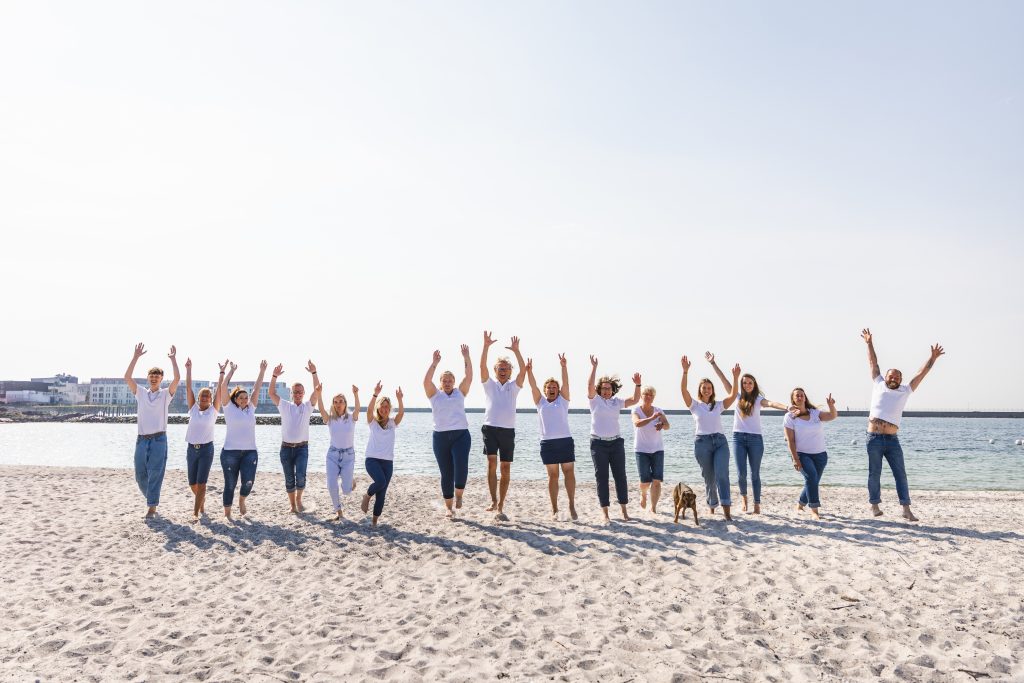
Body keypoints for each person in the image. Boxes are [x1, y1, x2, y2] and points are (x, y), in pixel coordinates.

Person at [861, 328, 945, 521]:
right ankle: (874, 505)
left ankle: (906, 509)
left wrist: (933, 358)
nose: (894, 378)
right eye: (891, 376)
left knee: (901, 474)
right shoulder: (878, 383)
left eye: (897, 377)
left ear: (900, 380)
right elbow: (873, 362)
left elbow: (921, 373)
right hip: (873, 437)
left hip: (892, 439)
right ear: (887, 377)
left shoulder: (906, 390)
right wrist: (869, 343)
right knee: (875, 473)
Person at [706, 351, 791, 514]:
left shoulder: (758, 399)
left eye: (749, 383)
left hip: (755, 440)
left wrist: (786, 407)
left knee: (755, 474)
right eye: (744, 383)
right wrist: (713, 363)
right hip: (738, 438)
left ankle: (757, 504)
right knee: (741, 475)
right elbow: (723, 380)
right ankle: (745, 500)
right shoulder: (736, 397)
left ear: (754, 385)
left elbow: (771, 402)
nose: (747, 385)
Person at [680, 355, 740, 520]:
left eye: (709, 387)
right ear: (700, 390)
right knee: (709, 477)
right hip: (702, 443)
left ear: (712, 390)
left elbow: (734, 395)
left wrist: (735, 378)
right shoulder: (694, 405)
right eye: (704, 387)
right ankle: (712, 505)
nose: (706, 390)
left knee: (722, 474)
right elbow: (684, 391)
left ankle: (727, 511)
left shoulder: (718, 405)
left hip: (720, 442)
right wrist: (685, 372)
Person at [124, 343, 180, 519]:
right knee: (140, 475)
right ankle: (152, 499)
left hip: (158, 440)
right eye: (152, 375)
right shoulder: (140, 393)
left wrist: (173, 359)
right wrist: (135, 356)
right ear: (148, 378)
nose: (154, 378)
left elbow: (177, 379)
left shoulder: (165, 394)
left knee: (155, 473)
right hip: (141, 440)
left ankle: (152, 506)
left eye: (157, 376)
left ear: (161, 378)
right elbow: (127, 377)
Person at [479, 331, 528, 519]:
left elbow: (524, 371)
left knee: (505, 467)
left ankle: (501, 504)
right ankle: (493, 500)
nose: (503, 370)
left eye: (506, 368)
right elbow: (482, 365)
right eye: (500, 368)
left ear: (510, 371)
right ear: (495, 370)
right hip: (490, 428)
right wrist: (485, 347)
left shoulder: (513, 386)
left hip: (508, 431)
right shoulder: (489, 384)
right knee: (491, 463)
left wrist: (517, 351)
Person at [587, 356, 642, 522]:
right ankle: (605, 512)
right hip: (598, 444)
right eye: (603, 388)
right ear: (599, 389)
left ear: (613, 390)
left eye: (608, 388)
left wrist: (638, 385)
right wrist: (594, 367)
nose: (606, 391)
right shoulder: (594, 401)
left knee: (620, 476)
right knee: (601, 477)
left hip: (616, 443)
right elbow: (589, 386)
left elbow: (635, 399)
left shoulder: (616, 402)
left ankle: (624, 511)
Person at [527, 354, 578, 521]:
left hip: (565, 441)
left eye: (554, 387)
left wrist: (564, 366)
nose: (552, 389)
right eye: (549, 387)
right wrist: (529, 372)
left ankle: (571, 504)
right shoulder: (540, 402)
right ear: (545, 390)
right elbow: (533, 385)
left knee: (569, 472)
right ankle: (554, 509)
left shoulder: (563, 401)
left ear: (558, 390)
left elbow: (567, 384)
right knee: (553, 476)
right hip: (547, 443)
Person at [423, 346, 473, 518]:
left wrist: (466, 357)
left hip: (461, 436)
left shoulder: (460, 393)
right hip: (441, 437)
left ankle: (459, 495)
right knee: (446, 473)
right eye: (444, 380)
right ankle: (448, 507)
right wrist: (434, 363)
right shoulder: (434, 395)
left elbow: (469, 376)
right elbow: (426, 381)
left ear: (454, 381)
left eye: (450, 380)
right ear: (441, 383)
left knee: (460, 466)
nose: (447, 383)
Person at [268, 361, 322, 514]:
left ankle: (299, 499)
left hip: (302, 448)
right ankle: (292, 504)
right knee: (289, 478)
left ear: (303, 394)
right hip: (285, 448)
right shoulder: (285, 406)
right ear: (291, 393)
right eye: (295, 392)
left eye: (300, 392)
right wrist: (274, 376)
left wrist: (314, 372)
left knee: (301, 477)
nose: (298, 394)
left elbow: (317, 391)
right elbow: (272, 393)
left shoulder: (307, 407)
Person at [219, 360, 267, 519]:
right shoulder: (228, 407)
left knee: (248, 482)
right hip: (230, 453)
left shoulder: (251, 409)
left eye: (246, 398)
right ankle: (227, 514)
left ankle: (242, 500)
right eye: (241, 398)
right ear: (235, 399)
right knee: (230, 484)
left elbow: (257, 387)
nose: (245, 400)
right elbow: (223, 387)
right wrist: (230, 372)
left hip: (250, 452)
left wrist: (262, 371)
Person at [184, 357, 228, 522]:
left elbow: (219, 391)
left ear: (210, 399)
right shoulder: (193, 409)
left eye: (207, 397)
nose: (204, 398)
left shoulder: (214, 411)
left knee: (202, 484)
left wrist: (221, 373)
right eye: (202, 396)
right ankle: (201, 501)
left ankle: (196, 513)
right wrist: (189, 369)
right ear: (198, 398)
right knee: (192, 484)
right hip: (191, 449)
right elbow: (188, 387)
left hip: (206, 450)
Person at [783, 388, 838, 520]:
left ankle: (800, 504)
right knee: (812, 477)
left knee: (813, 481)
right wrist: (795, 459)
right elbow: (790, 440)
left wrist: (831, 406)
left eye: (802, 395)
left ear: (805, 398)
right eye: (797, 396)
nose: (800, 397)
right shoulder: (789, 417)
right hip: (802, 454)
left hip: (820, 455)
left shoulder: (814, 413)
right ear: (793, 399)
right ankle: (814, 510)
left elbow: (832, 416)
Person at [315, 378, 361, 521]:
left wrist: (356, 394)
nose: (338, 404)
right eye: (335, 402)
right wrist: (319, 394)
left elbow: (358, 408)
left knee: (347, 491)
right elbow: (321, 409)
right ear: (333, 405)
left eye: (341, 401)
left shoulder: (351, 418)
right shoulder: (330, 419)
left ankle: (351, 480)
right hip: (333, 455)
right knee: (331, 484)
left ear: (345, 403)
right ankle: (338, 512)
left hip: (348, 456)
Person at [361, 382, 404, 527]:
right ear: (378, 408)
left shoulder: (393, 423)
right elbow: (368, 411)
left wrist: (400, 399)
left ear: (389, 409)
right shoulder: (372, 422)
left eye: (387, 407)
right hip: (372, 460)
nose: (385, 409)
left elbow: (401, 413)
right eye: (382, 406)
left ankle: (374, 522)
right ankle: (367, 496)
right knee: (380, 482)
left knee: (382, 492)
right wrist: (375, 394)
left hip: (388, 462)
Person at [632, 385, 670, 514]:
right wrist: (652, 418)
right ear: (641, 396)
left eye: (651, 395)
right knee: (645, 482)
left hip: (657, 449)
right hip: (641, 450)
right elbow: (637, 423)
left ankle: (653, 507)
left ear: (653, 397)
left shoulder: (659, 410)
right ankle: (643, 495)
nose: (648, 397)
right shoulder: (636, 409)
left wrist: (661, 424)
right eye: (646, 394)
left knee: (657, 481)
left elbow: (667, 426)